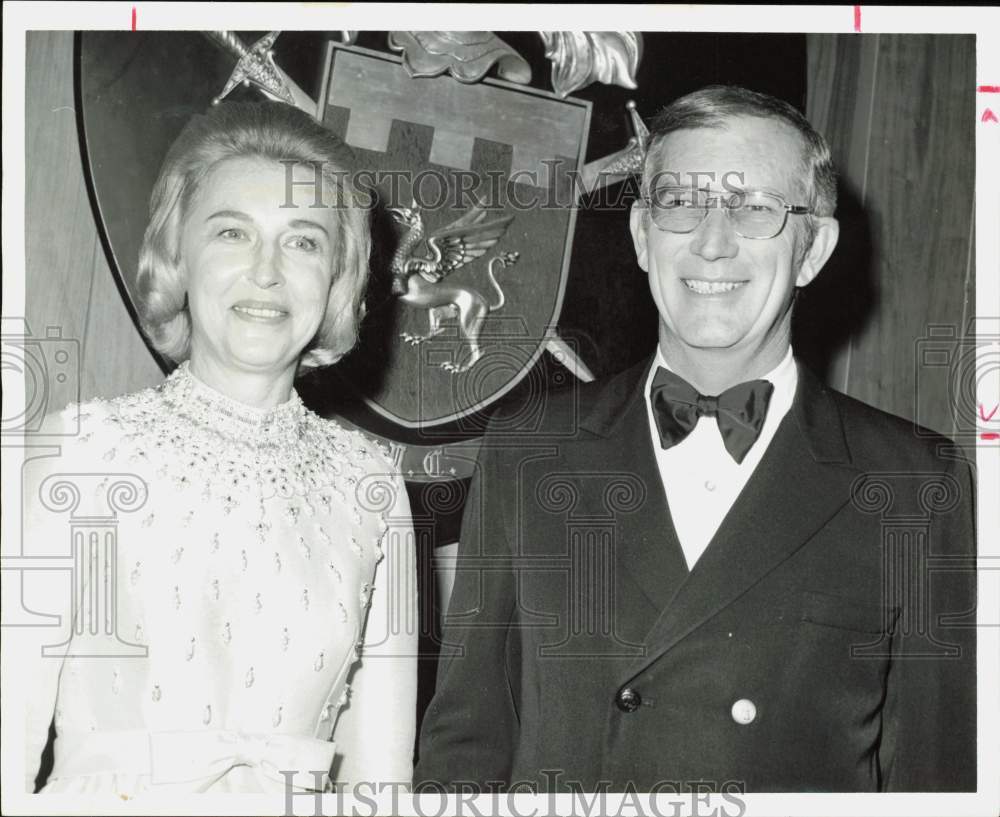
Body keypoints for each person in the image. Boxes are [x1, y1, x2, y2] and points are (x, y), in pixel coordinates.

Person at [414, 85, 976, 792]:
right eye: (681, 203)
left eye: (754, 208)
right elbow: (465, 746)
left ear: (813, 247)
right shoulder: (529, 449)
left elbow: (938, 780)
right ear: (643, 236)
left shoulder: (915, 482)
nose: (713, 242)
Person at [24, 101, 417, 796]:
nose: (265, 272)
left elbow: (381, 784)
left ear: (338, 279)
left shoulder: (372, 485)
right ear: (178, 256)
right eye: (232, 233)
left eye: (303, 242)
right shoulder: (82, 450)